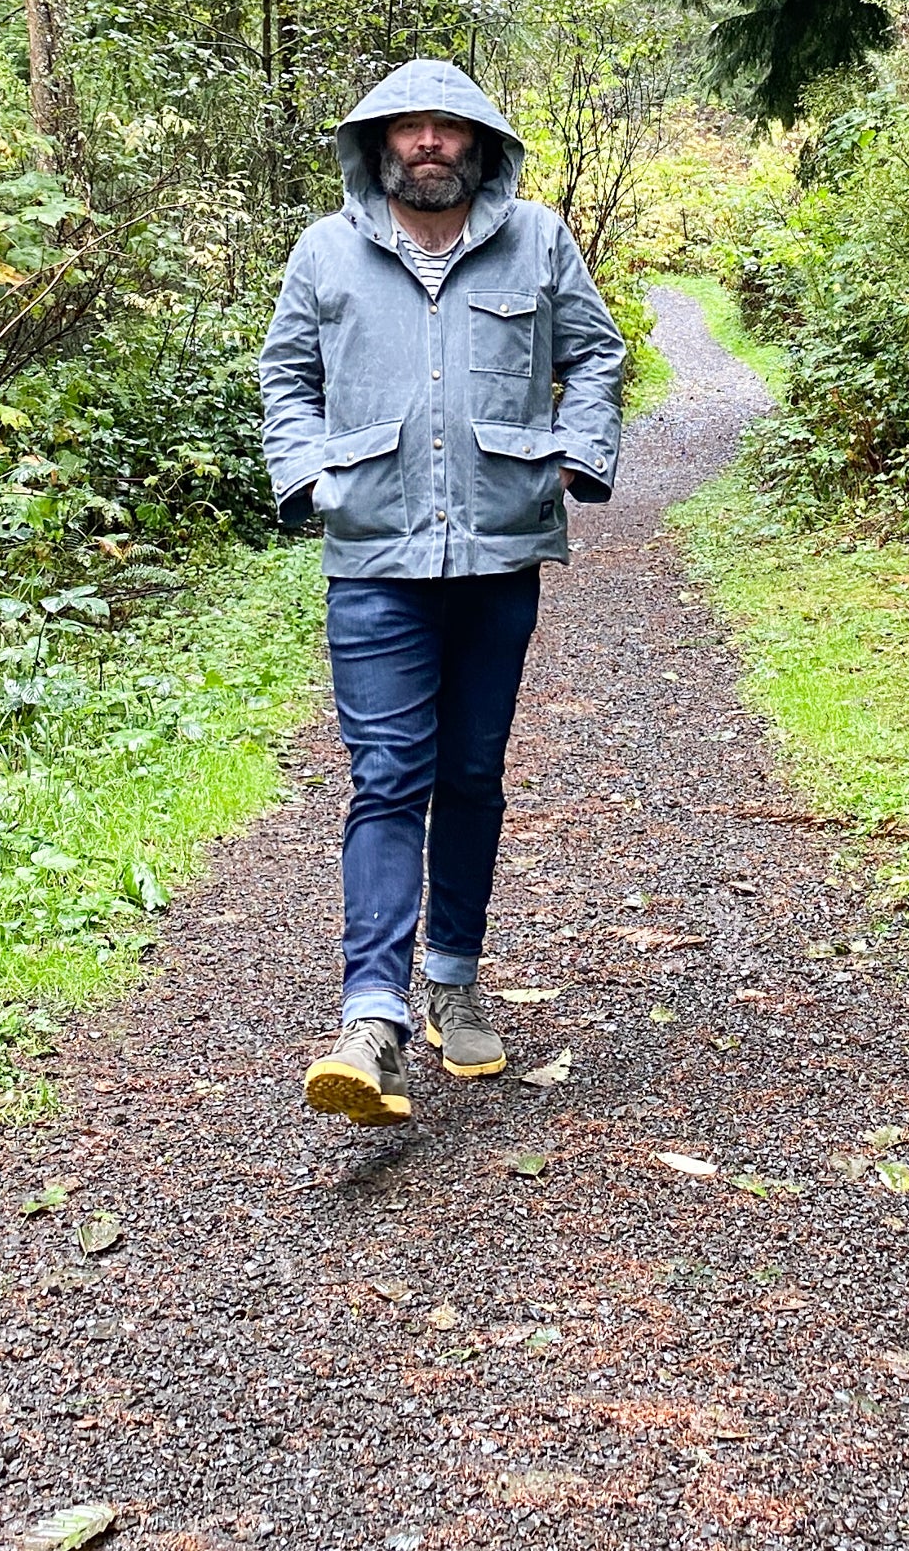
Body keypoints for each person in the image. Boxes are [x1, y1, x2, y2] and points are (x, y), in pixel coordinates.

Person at [259, 58, 625, 1126]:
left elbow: (595, 354)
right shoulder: (325, 251)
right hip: (372, 554)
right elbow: (286, 377)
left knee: (470, 770)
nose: (427, 141)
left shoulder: (538, 241)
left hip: (499, 552)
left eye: (446, 126)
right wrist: (311, 477)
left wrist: (572, 456)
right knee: (386, 775)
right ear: (376, 143)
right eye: (407, 126)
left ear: (480, 144)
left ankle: (452, 980)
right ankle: (370, 1018)